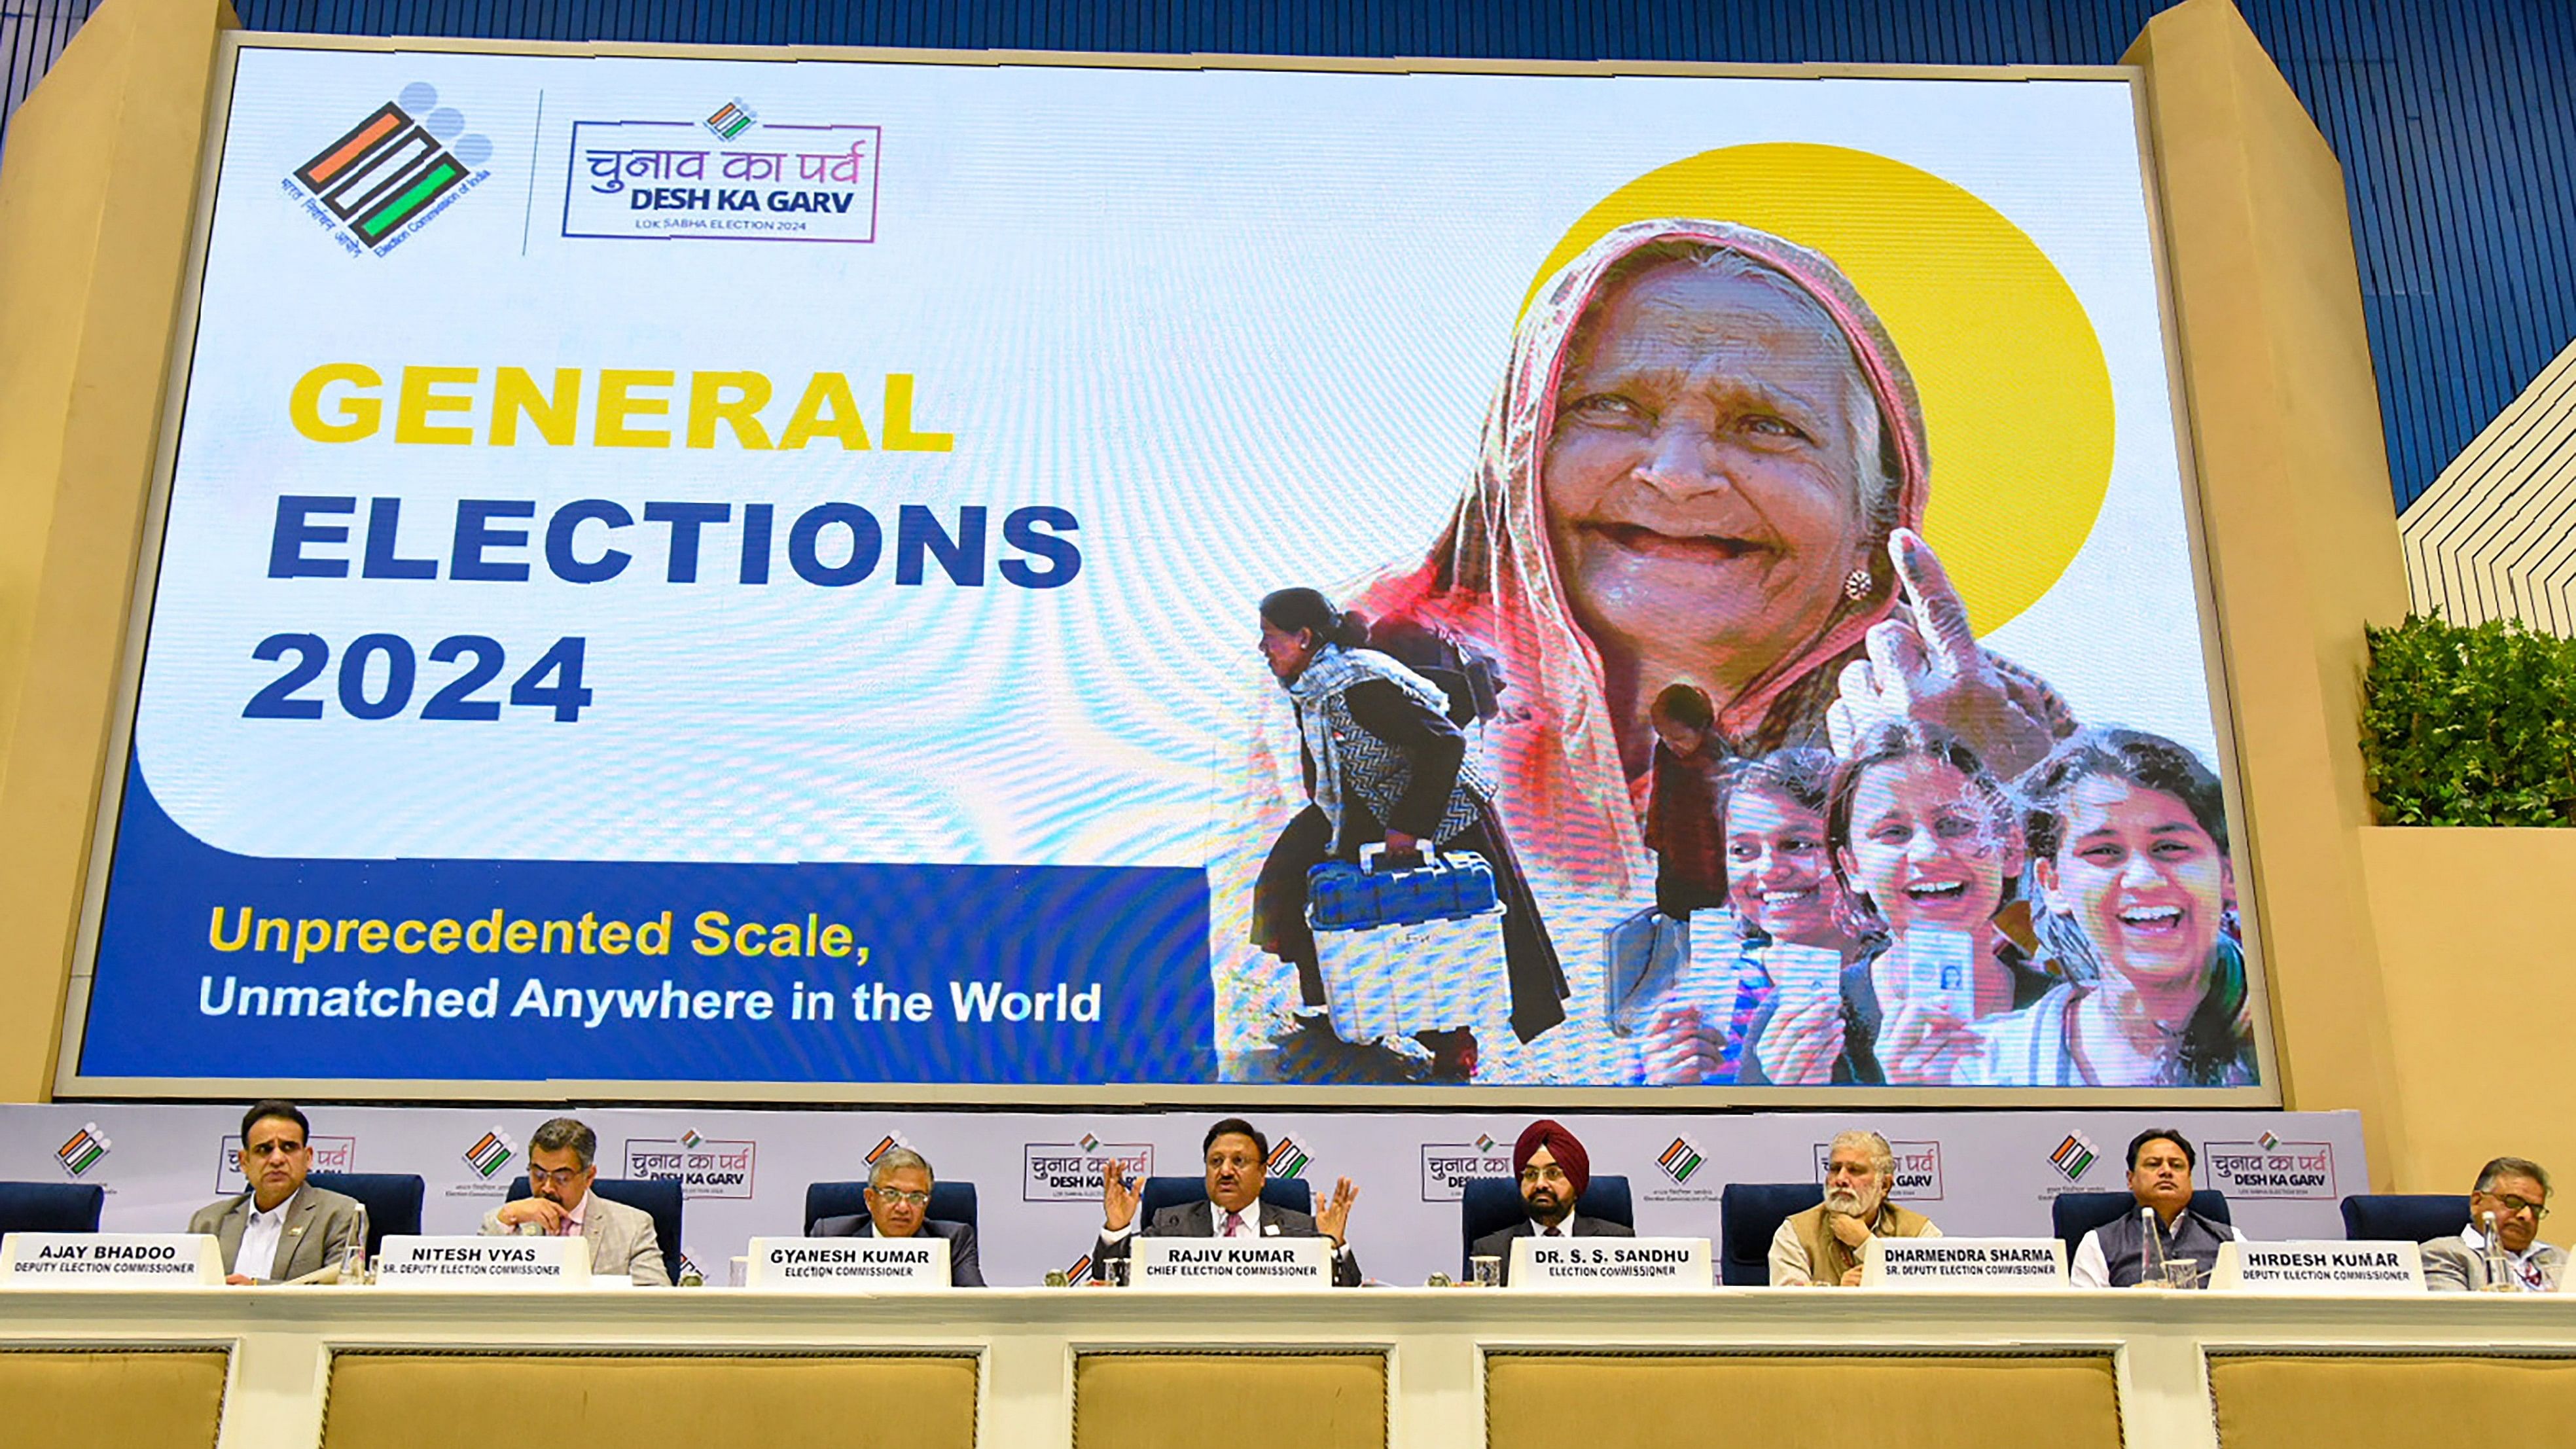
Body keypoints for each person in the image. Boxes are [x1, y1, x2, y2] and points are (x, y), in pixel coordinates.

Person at [1217, 221, 2075, 1085]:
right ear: (1522, 459)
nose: (1677, 472)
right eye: (1612, 406)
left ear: (1872, 524)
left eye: (1768, 424)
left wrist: (2024, 801)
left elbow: (2149, 1017)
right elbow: (1249, 1014)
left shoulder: (1975, 716)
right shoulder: (1384, 654)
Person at [1249, 586, 1567, 1081]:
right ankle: (1347, 1007)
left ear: (1305, 637)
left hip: (1435, 810)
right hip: (1358, 804)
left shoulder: (1357, 684)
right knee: (1285, 885)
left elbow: (1445, 744)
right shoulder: (1312, 685)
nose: (1263, 649)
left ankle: (1450, 1040)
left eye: (1271, 638)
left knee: (1424, 929)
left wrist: (1409, 829)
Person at [1743, 722, 2051, 1084]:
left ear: (2010, 849)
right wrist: (1795, 1110)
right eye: (1893, 832)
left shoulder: (2070, 1017)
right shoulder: (1801, 1031)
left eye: (1955, 824)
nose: (1928, 852)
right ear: (1852, 866)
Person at [1958, 730, 2256, 1086]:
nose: (2144, 879)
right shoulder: (1986, 1068)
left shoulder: (2299, 1037)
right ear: (2053, 883)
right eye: (2103, 852)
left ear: (2228, 872)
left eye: (2171, 847)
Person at [1643, 747, 1863, 1084]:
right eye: (1743, 850)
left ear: (1852, 855)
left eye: (1798, 844)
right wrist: (1664, 1092)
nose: (1769, 870)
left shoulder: (1898, 982)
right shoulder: (1702, 1005)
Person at [1092, 1117, 1361, 1287]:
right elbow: (1109, 1283)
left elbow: (1349, 1294)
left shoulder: (1300, 1229)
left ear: (1263, 1173)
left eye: (1239, 1161)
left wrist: (1334, 1244)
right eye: (1216, 1162)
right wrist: (1116, 1229)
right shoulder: (1171, 1224)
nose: (1226, 1171)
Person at [187, 1100, 365, 1285]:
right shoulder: (208, 1222)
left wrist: (255, 1289)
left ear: (308, 1158)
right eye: (264, 1149)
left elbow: (338, 1292)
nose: (277, 1159)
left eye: (289, 1148)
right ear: (244, 1161)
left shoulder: (339, 1215)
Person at [479, 1117, 670, 1285]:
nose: (547, 1187)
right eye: (538, 1174)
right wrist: (506, 1219)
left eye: (561, 1178)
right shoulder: (501, 1221)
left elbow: (656, 1301)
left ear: (589, 1177)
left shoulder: (633, 1227)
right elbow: (473, 1288)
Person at [2069, 1128, 2244, 1289]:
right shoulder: (2098, 1243)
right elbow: (2086, 1315)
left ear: (2190, 1180)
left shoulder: (2231, 1240)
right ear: (2130, 1179)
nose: (2166, 1171)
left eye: (2177, 1165)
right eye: (2153, 1164)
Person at [1468, 1119, 1634, 1282]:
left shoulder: (1618, 1243)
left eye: (1553, 1173)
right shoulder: (1491, 1251)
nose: (1540, 1184)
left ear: (1576, 1183)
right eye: (1531, 1175)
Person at [1770, 1129, 1940, 1287]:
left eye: (1855, 1171)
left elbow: (1935, 1294)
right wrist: (1839, 1295)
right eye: (1835, 1169)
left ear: (1884, 1186)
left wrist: (1866, 1244)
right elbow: (1788, 1305)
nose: (1841, 1179)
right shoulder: (1795, 1232)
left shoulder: (1920, 1232)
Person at [809, 1145, 985, 1287]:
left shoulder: (954, 1241)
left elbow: (976, 1306)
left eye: (916, 1197)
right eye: (892, 1194)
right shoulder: (830, 1236)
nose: (903, 1208)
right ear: (870, 1199)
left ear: (927, 1203)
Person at [1645, 683, 1726, 921]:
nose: (1672, 745)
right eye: (1664, 737)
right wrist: (1656, 836)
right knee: (1673, 916)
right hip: (1673, 855)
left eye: (1679, 738)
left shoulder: (1717, 759)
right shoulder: (1666, 752)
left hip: (1710, 865)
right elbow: (1658, 795)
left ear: (1702, 728)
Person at [2422, 1157, 2564, 1292]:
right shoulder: (2443, 1254)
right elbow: (2456, 1314)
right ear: (2477, 1202)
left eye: (2536, 1209)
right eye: (2513, 1202)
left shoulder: (2562, 1259)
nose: (2527, 1215)